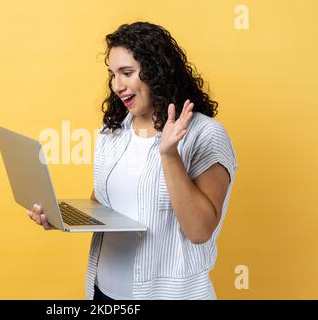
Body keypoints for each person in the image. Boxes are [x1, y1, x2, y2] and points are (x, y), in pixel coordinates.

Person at [27, 21, 237, 300]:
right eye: (113, 74)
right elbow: (103, 203)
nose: (117, 85)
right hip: (103, 292)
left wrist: (169, 154)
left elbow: (200, 231)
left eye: (127, 73)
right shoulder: (114, 129)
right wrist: (61, 217)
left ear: (157, 72)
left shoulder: (206, 134)